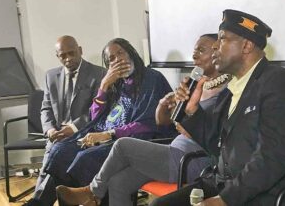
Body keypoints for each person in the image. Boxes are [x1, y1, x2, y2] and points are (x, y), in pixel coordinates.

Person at [149, 9, 285, 205]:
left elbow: (273, 159)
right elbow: (218, 146)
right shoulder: (230, 91)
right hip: (228, 184)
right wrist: (192, 111)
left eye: (222, 39)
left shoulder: (280, 83)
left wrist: (225, 199)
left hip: (271, 194)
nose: (215, 45)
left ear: (247, 45)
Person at [54, 34, 231, 206]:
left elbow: (214, 137)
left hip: (193, 160)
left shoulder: (227, 92)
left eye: (201, 50)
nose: (193, 55)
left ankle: (92, 193)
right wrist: (163, 104)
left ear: (217, 53)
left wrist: (187, 121)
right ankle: (88, 194)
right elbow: (161, 121)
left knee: (122, 145)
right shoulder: (197, 85)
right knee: (118, 183)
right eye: (194, 50)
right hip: (173, 149)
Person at [41, 37, 173, 205]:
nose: (118, 60)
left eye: (120, 53)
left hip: (136, 139)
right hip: (105, 135)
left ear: (131, 53)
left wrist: (108, 134)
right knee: (60, 150)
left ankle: (91, 197)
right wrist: (103, 86)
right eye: (112, 59)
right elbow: (95, 117)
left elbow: (148, 123)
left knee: (85, 158)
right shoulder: (115, 82)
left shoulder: (151, 78)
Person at [24, 35, 106, 206]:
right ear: (57, 56)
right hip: (56, 137)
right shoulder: (51, 76)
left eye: (72, 53)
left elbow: (97, 111)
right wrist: (50, 130)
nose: (68, 59)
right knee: (48, 173)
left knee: (55, 169)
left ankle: (37, 203)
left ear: (80, 51)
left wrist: (73, 128)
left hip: (82, 136)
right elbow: (46, 108)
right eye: (63, 55)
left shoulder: (99, 74)